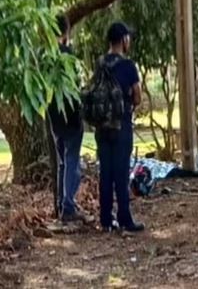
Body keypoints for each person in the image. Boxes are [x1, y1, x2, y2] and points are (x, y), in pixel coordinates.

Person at [95, 22, 146, 233]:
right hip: (121, 125)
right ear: (124, 40)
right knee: (121, 173)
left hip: (102, 127)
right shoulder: (128, 66)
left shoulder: (99, 64)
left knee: (105, 172)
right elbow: (138, 96)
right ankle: (125, 218)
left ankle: (106, 218)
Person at [48, 14, 91, 224]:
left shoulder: (46, 57)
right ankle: (68, 206)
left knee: (62, 162)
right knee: (72, 161)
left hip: (54, 116)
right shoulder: (68, 56)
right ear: (66, 32)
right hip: (71, 116)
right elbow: (75, 88)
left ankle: (61, 204)